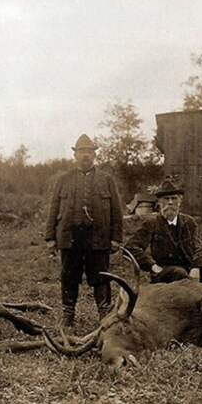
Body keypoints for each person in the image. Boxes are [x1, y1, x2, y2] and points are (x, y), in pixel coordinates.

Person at [45, 134, 123, 327]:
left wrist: (116, 238)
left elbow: (117, 211)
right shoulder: (63, 179)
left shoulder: (107, 180)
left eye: (89, 151)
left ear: (95, 154)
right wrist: (50, 237)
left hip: (98, 237)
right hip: (70, 237)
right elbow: (53, 208)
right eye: (81, 151)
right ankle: (68, 315)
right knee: (69, 276)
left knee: (101, 276)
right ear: (75, 155)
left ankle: (104, 315)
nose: (85, 155)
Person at [126, 177, 202, 284]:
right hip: (165, 271)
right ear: (159, 202)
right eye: (166, 199)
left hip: (189, 266)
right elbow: (131, 247)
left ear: (180, 201)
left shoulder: (188, 222)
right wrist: (152, 266)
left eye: (174, 198)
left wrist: (197, 266)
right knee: (179, 273)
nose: (170, 202)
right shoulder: (151, 224)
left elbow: (201, 246)